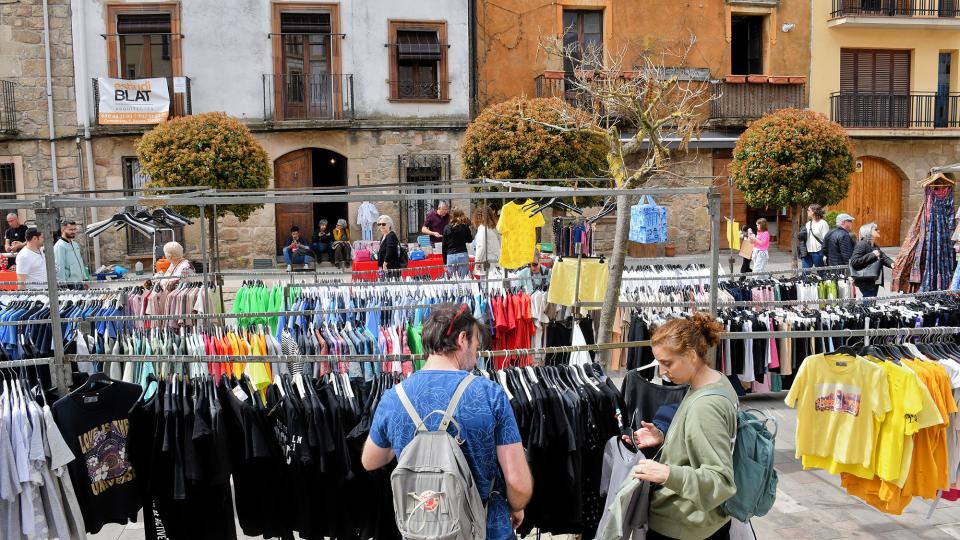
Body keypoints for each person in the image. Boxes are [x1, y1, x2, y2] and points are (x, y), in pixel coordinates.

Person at [361, 303, 533, 539]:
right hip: (485, 529)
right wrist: (516, 506)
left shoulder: (394, 398)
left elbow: (370, 460)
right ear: (462, 339)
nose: (475, 356)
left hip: (423, 528)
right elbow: (519, 485)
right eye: (475, 346)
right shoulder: (489, 394)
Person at [629, 314, 737, 540]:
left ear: (691, 355)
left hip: (685, 526)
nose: (662, 371)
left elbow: (720, 481)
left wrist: (666, 473)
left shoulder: (705, 405)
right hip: (700, 523)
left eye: (667, 363)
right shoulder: (715, 380)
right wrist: (665, 434)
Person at [850, 222, 894, 298]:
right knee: (869, 302)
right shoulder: (862, 245)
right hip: (865, 280)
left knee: (871, 301)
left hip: (873, 279)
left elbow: (884, 257)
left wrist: (892, 264)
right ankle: (865, 310)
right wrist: (872, 255)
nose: (878, 231)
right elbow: (854, 262)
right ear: (868, 232)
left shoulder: (875, 245)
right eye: (876, 229)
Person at [54, 219, 88, 286]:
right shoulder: (59, 246)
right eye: (70, 230)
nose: (73, 231)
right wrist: (62, 284)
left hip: (80, 281)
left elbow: (80, 262)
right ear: (63, 230)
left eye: (74, 229)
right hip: (69, 284)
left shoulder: (75, 244)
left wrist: (84, 278)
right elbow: (59, 266)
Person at [443, 208, 473, 277]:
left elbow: (444, 246)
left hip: (450, 255)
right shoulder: (464, 226)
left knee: (452, 280)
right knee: (463, 279)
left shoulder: (446, 228)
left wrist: (445, 261)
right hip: (462, 254)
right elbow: (470, 240)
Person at [472, 206, 501, 276]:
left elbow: (481, 247)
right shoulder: (495, 228)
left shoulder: (482, 228)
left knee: (486, 284)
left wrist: (477, 261)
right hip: (496, 260)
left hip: (486, 261)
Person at [802, 204, 829, 269]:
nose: (807, 211)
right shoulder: (808, 224)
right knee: (805, 273)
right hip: (807, 252)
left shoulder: (823, 223)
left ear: (814, 211)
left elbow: (826, 239)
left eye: (808, 210)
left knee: (821, 273)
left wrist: (825, 254)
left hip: (818, 252)